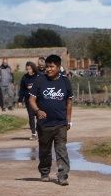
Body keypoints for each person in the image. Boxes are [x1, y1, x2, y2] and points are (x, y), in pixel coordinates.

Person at [28, 54, 74, 186]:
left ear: (58, 67)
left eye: (51, 67)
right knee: (45, 150)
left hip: (60, 123)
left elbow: (69, 102)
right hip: (44, 124)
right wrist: (37, 110)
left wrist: (68, 120)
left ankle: (63, 175)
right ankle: (44, 171)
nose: (48, 69)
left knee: (61, 150)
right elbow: (31, 100)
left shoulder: (65, 81)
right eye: (47, 67)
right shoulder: (40, 80)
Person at [18, 61, 41, 140]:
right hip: (28, 100)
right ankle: (34, 134)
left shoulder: (39, 76)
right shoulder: (25, 77)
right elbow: (22, 90)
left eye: (30, 69)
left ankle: (39, 131)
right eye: (27, 69)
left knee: (39, 116)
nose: (28, 71)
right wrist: (20, 100)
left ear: (33, 68)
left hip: (39, 99)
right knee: (31, 117)